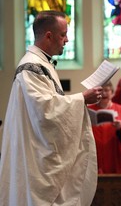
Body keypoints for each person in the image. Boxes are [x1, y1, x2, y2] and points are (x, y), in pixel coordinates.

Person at [0, 11, 103, 206]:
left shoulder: (42, 64)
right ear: (48, 35)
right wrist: (82, 98)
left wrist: (81, 100)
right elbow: (45, 112)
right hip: (35, 162)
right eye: (63, 34)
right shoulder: (31, 67)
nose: (67, 39)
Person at [88, 81, 121, 174]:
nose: (104, 93)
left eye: (107, 90)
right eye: (100, 91)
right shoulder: (89, 110)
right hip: (94, 155)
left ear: (112, 92)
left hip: (115, 156)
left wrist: (120, 129)